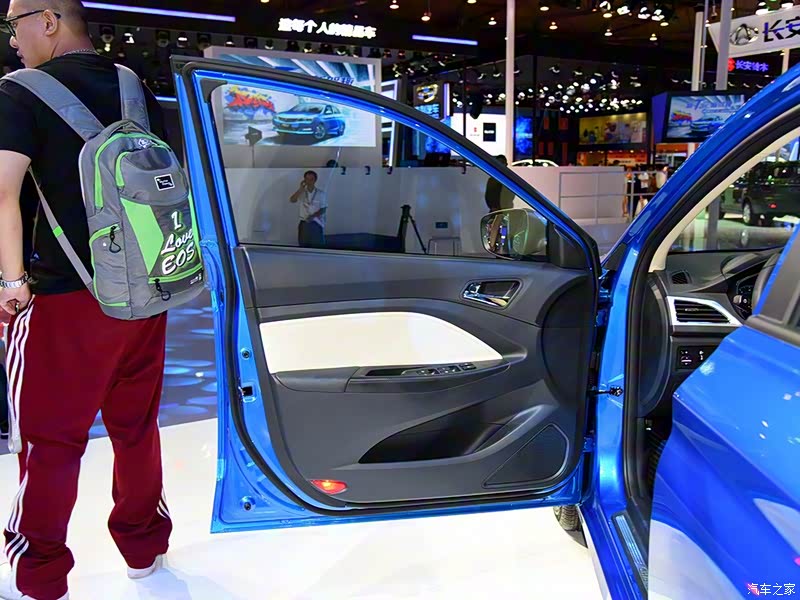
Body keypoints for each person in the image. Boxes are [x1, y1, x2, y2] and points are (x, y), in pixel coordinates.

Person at [0, 2, 171, 599]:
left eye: (15, 24)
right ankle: (144, 551)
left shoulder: (19, 92)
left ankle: (41, 575)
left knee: (50, 442)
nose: (13, 40)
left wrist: (10, 282)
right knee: (136, 427)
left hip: (64, 300)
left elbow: (2, 192)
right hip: (145, 292)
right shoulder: (132, 85)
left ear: (48, 21)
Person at [290, 170, 327, 247]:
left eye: (311, 179)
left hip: (316, 223)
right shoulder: (301, 192)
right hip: (304, 224)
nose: (309, 181)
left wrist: (313, 216)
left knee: (318, 246)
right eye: (307, 179)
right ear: (304, 180)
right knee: (304, 246)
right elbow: (292, 200)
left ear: (315, 180)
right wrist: (300, 189)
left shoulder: (321, 193)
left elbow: (324, 209)